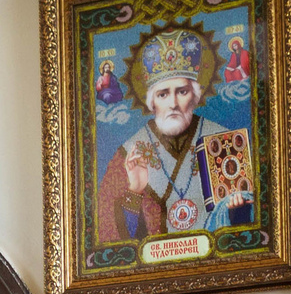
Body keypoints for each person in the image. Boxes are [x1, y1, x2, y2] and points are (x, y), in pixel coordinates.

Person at [92, 24, 253, 244]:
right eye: (163, 94)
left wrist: (237, 210)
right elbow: (110, 238)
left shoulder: (225, 140)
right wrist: (135, 190)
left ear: (194, 96)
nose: (173, 103)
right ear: (152, 102)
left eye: (182, 91)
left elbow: (251, 229)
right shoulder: (127, 154)